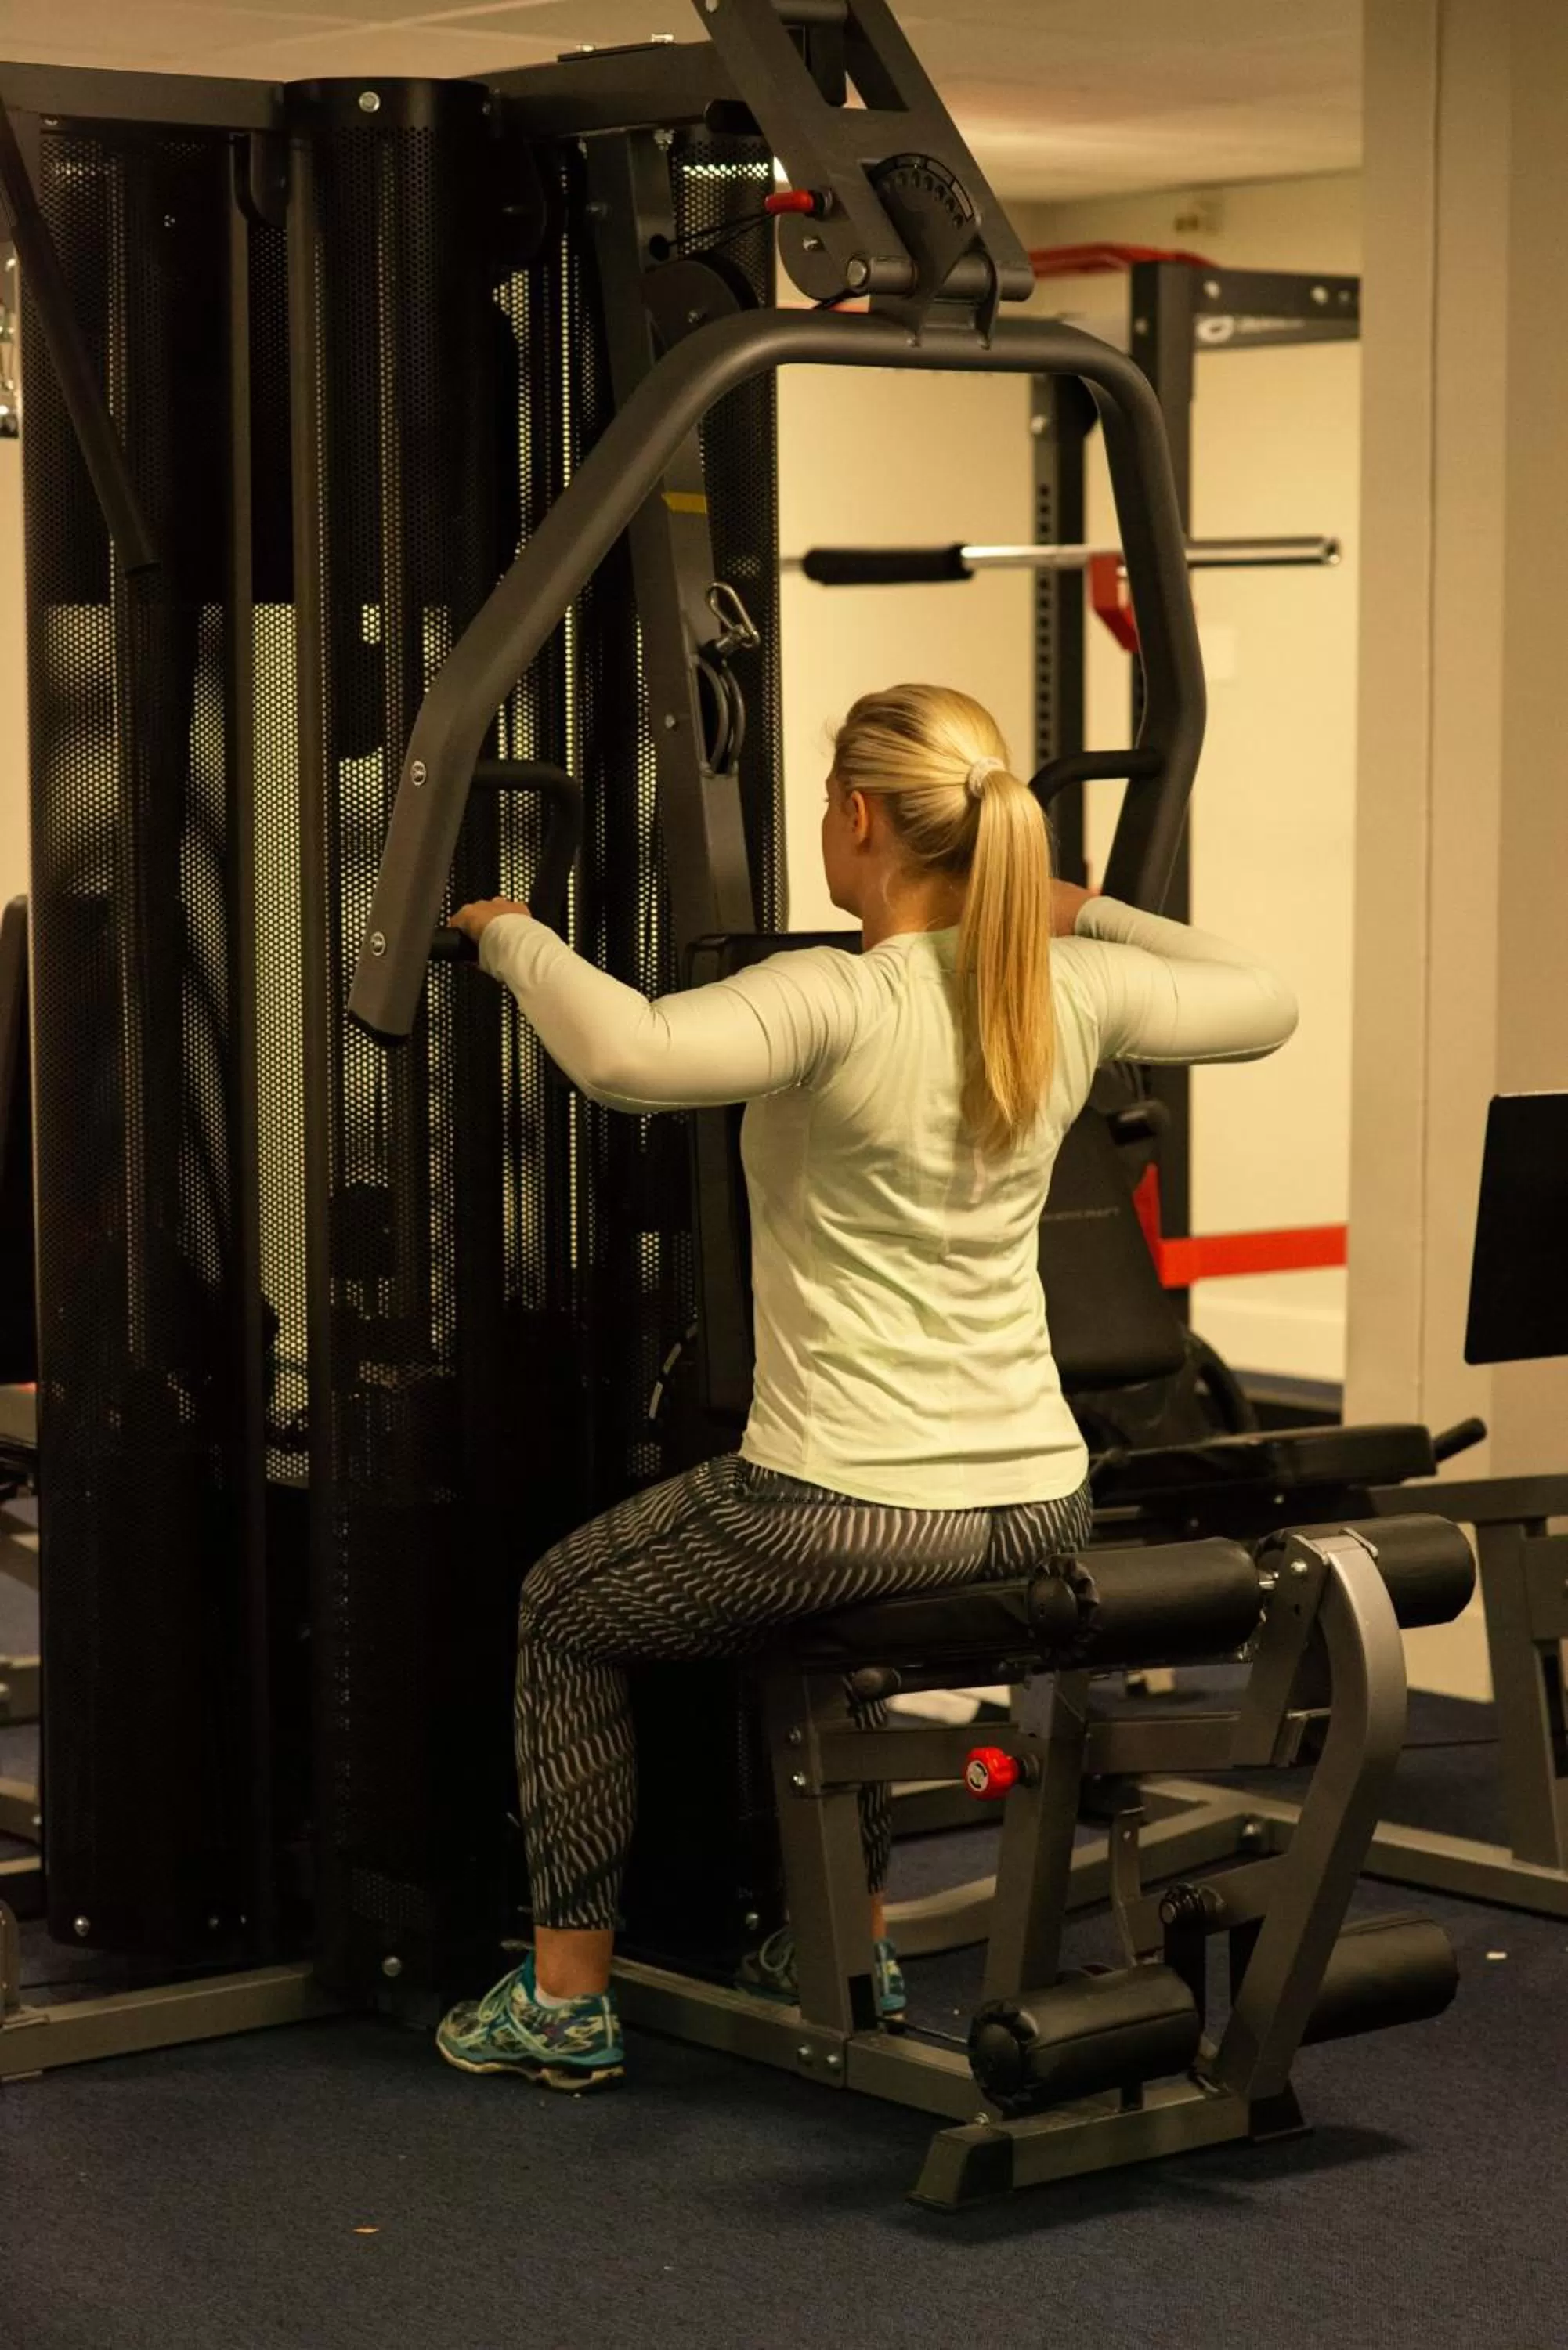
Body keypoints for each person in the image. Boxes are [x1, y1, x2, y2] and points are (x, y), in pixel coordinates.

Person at [434, 682, 1297, 2092]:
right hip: (1037, 1500)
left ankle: (564, 1996)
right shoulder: (1065, 985)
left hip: (840, 1501)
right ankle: (850, 1942)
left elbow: (627, 1055)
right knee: (861, 1647)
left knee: (563, 1613)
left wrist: (508, 935)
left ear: (853, 818)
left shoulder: (834, 994)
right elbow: (1269, 1003)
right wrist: (1078, 907)